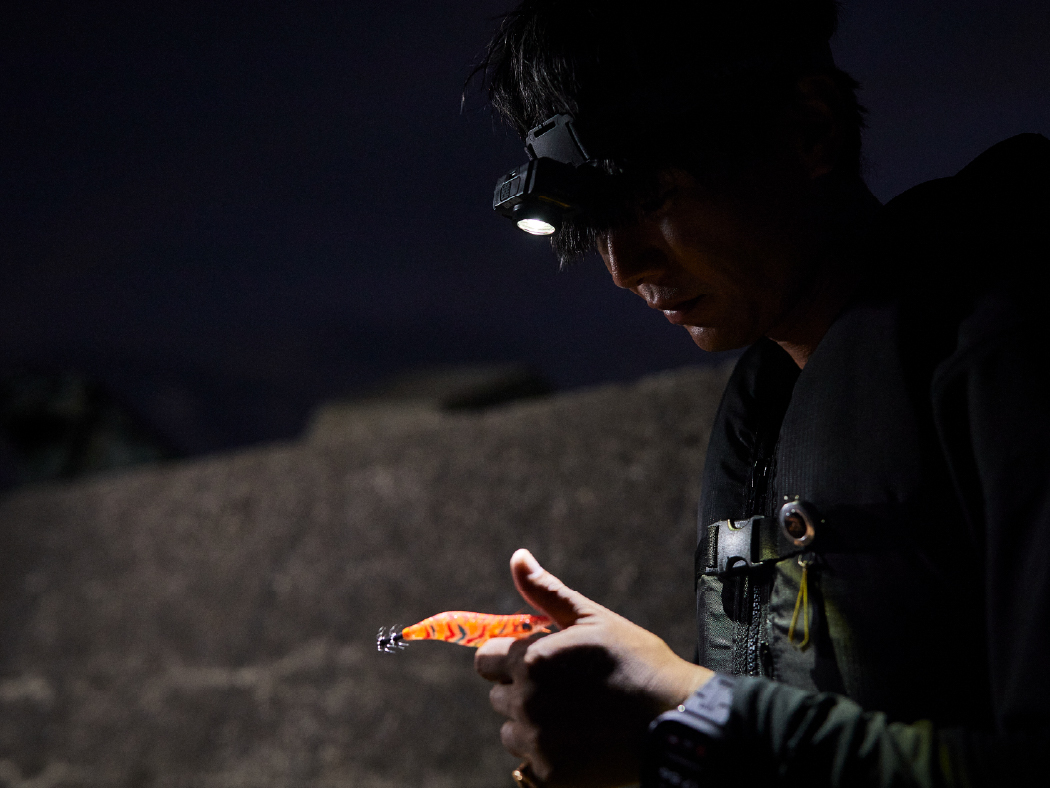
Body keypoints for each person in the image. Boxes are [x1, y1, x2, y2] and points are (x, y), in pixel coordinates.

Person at [470, 1, 1050, 786]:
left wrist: (686, 717)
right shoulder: (767, 407)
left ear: (811, 129)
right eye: (593, 223)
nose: (624, 267)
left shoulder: (1003, 345)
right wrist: (624, 732)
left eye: (653, 198)